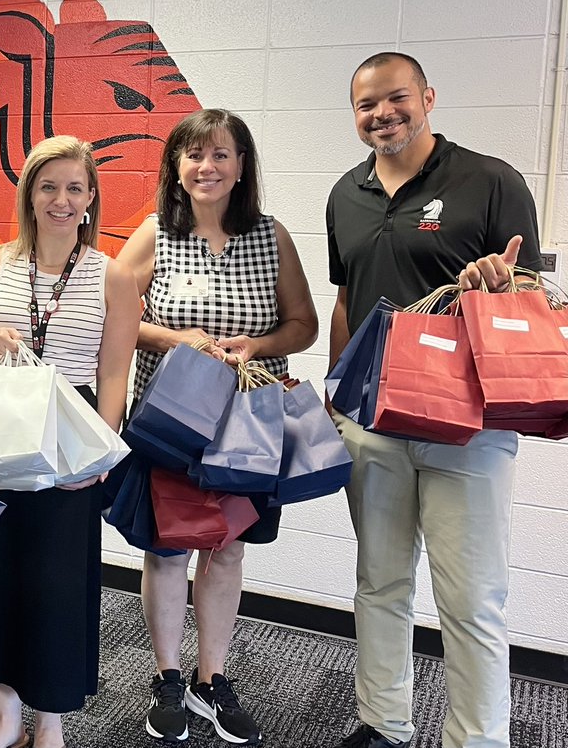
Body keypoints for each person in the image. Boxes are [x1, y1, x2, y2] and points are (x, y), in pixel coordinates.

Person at [327, 52, 540, 748]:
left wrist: (502, 286)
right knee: (379, 584)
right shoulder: (345, 194)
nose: (382, 114)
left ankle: (477, 740)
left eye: (396, 99)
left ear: (427, 97)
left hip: (466, 426)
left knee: (471, 599)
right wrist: (336, 393)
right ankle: (382, 722)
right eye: (367, 105)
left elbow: (534, 298)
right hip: (373, 423)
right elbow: (345, 298)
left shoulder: (489, 180)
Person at [115, 109, 318, 745]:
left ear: (241, 167)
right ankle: (168, 679)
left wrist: (254, 347)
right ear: (176, 169)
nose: (208, 166)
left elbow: (303, 325)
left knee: (225, 549)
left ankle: (212, 679)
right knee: (169, 546)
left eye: (221, 155)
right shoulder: (154, 234)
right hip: (172, 418)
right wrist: (182, 340)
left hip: (248, 425)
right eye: (195, 155)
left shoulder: (271, 235)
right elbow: (117, 319)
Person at [0, 135, 140, 748]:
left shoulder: (114, 274)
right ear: (29, 193)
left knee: (54, 583)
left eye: (74, 188)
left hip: (68, 435)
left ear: (90, 198)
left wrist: (101, 452)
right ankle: (7, 717)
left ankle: (48, 723)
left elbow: (112, 371)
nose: (61, 199)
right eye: (48, 186)